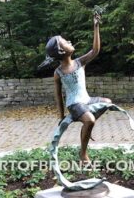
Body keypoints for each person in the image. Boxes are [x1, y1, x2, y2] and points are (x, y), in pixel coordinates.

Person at [46, 13, 111, 165]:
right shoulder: (58, 73)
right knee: (90, 120)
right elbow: (58, 96)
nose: (69, 41)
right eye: (65, 42)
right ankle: (83, 153)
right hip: (74, 104)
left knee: (107, 102)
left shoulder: (79, 62)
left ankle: (87, 127)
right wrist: (61, 116)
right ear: (62, 51)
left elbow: (95, 51)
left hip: (86, 100)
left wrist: (96, 27)